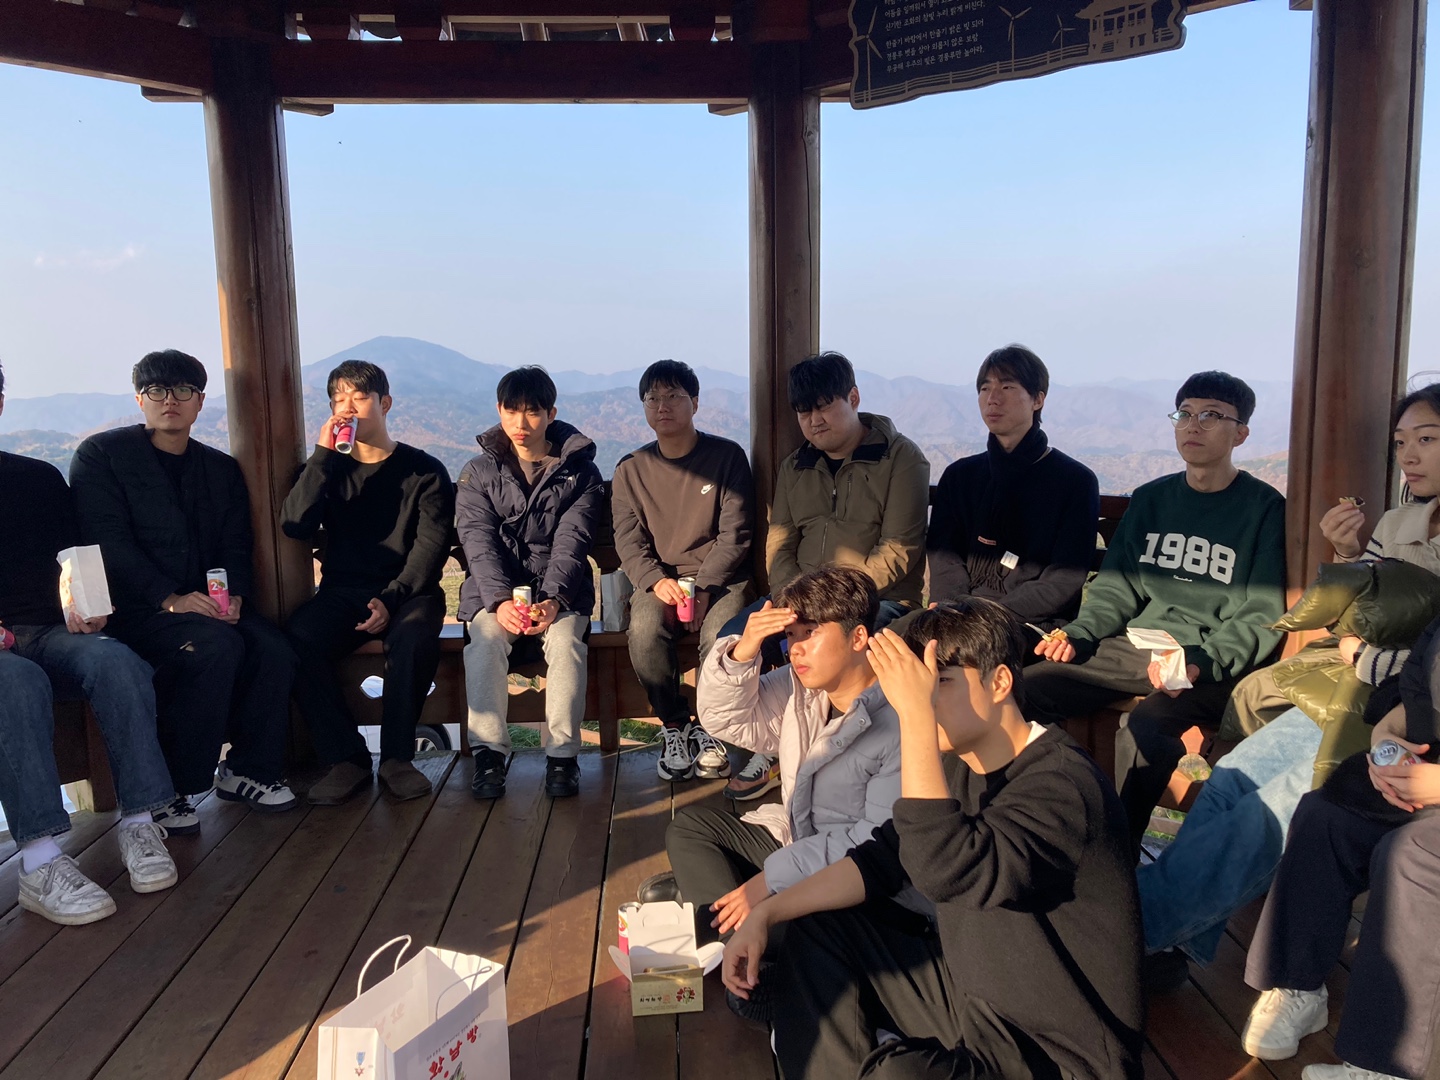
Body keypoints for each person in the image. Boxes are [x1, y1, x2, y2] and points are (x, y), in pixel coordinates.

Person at [723, 598, 1143, 1080]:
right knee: (821, 929)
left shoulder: (1063, 785)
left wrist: (916, 719)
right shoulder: (960, 765)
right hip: (973, 998)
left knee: (896, 1075)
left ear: (1000, 682)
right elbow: (882, 858)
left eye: (940, 682)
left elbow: (949, 870)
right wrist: (767, 912)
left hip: (1054, 1051)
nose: (921, 700)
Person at [1139, 384, 1440, 983]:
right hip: (1348, 696)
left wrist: (1367, 657)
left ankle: (1131, 934)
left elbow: (1421, 661)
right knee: (1230, 779)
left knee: (1271, 811)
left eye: (1427, 440)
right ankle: (1172, 946)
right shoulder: (1400, 521)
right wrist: (1350, 553)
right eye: (1401, 442)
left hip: (1408, 719)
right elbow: (1360, 612)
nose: (1409, 455)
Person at [1025, 370, 1286, 852]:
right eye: (1184, 414)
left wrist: (1202, 662)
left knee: (1146, 727)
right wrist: (1080, 634)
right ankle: (1042, 825)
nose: (1194, 425)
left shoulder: (1264, 509)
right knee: (1026, 690)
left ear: (1241, 434)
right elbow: (1117, 588)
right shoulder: (1151, 499)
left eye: (1212, 416)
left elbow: (1261, 612)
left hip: (1208, 663)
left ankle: (1116, 853)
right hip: (1140, 648)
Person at [652, 565, 902, 1018]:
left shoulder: (899, 715)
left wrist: (768, 882)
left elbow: (874, 846)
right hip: (797, 845)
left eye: (811, 633)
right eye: (790, 635)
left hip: (858, 882)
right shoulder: (799, 689)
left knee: (826, 922)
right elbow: (724, 719)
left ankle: (736, 940)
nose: (795, 648)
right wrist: (742, 652)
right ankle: (749, 945)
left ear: (859, 637)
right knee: (690, 827)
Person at [70, 349, 299, 832]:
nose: (169, 400)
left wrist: (233, 597)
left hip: (205, 606)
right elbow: (107, 540)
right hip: (133, 610)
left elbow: (235, 542)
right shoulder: (103, 456)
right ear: (140, 400)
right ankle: (170, 788)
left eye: (182, 390)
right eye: (156, 390)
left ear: (199, 401)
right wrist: (168, 598)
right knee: (212, 648)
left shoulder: (218, 468)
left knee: (274, 648)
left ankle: (247, 770)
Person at [0, 359, 178, 924]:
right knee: (16, 683)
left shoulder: (36, 479)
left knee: (117, 662)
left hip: (49, 631)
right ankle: (40, 861)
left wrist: (87, 603)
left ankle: (140, 823)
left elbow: (73, 558)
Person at [723, 351, 930, 803]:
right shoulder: (796, 466)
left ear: (853, 398)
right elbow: (780, 543)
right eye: (804, 411)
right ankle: (770, 747)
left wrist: (831, 603)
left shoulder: (901, 459)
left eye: (823, 406)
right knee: (733, 639)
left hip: (879, 599)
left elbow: (899, 550)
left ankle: (841, 760)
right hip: (798, 597)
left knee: (835, 646)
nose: (814, 420)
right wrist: (791, 600)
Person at [1237, 626, 1440, 1076]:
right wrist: (1389, 736)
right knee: (1326, 816)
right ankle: (1297, 987)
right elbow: (1413, 682)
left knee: (1412, 857)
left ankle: (1389, 1064)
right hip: (1422, 771)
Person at [281, 359, 456, 805]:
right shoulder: (327, 468)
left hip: (410, 591)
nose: (348, 407)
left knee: (413, 636)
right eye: (338, 399)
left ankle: (398, 758)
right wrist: (323, 456)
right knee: (298, 638)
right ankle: (347, 759)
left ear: (385, 403)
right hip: (344, 591)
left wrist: (391, 599)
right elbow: (295, 524)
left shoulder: (425, 471)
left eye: (359, 397)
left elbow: (430, 550)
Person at [456, 366, 604, 801]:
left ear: (551, 414)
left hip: (561, 592)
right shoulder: (478, 472)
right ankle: (488, 754)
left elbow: (572, 542)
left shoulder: (580, 473)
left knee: (566, 643)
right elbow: (478, 543)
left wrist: (554, 599)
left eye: (533, 412)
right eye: (511, 411)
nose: (521, 423)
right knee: (484, 640)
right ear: (499, 411)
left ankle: (562, 757)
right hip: (493, 593)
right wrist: (500, 600)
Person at [611, 359, 754, 783]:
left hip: (722, 578)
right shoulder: (631, 469)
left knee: (720, 635)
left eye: (674, 396)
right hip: (662, 581)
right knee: (644, 628)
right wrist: (656, 581)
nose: (662, 406)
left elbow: (736, 533)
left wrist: (706, 587)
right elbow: (628, 540)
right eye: (652, 398)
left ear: (695, 402)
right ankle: (675, 725)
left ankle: (711, 727)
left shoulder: (726, 457)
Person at [927, 344, 1099, 635]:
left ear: (1038, 399)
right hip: (956, 615)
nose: (992, 398)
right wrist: (953, 608)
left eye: (1007, 387)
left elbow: (1063, 579)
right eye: (985, 388)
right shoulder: (960, 476)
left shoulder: (1074, 481)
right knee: (886, 644)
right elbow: (944, 555)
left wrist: (985, 617)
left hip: (1029, 624)